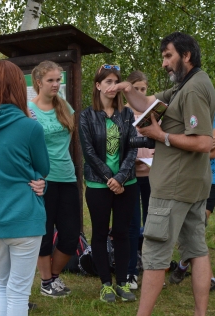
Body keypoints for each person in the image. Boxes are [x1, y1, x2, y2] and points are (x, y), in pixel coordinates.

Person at [108, 32, 215, 316]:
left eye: (168, 56)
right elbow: (147, 103)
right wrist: (125, 88)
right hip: (193, 186)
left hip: (174, 187)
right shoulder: (186, 84)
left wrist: (161, 135)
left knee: (155, 255)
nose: (164, 63)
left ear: (186, 55)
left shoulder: (193, 90)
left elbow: (204, 142)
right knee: (196, 250)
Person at [0, 59, 50, 316]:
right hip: (24, 217)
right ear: (19, 86)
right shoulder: (29, 127)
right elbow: (43, 167)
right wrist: (38, 180)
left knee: (3, 286)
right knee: (18, 291)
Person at [79, 64, 138, 303]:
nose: (112, 87)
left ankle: (123, 282)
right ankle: (105, 284)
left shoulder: (127, 114)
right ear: (98, 85)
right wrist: (109, 179)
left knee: (122, 233)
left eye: (116, 82)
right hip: (97, 185)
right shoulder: (86, 115)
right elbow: (89, 152)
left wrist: (121, 177)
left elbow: (133, 148)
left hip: (127, 183)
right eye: (108, 82)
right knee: (100, 233)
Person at [29, 61, 80, 298]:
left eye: (58, 79)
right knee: (45, 233)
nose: (56, 84)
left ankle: (55, 275)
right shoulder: (28, 110)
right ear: (38, 82)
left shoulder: (64, 106)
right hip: (42, 180)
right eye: (51, 80)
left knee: (71, 234)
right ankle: (47, 281)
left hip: (67, 177)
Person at [171, 111, 215, 292]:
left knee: (198, 227)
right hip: (188, 177)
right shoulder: (187, 117)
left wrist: (188, 146)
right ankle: (191, 268)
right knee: (191, 228)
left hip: (211, 179)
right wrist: (198, 145)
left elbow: (213, 152)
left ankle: (187, 266)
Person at [124, 70, 155, 291]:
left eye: (144, 89)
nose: (141, 93)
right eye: (137, 89)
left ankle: (154, 271)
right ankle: (131, 271)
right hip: (131, 176)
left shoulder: (153, 112)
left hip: (153, 176)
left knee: (153, 225)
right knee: (133, 225)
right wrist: (132, 161)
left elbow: (161, 139)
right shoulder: (123, 113)